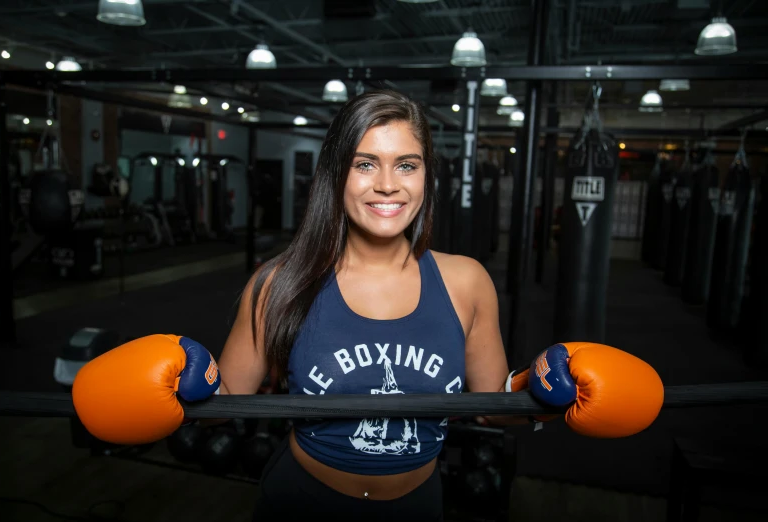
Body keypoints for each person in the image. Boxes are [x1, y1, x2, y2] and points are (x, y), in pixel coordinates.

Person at [72, 90, 665, 522]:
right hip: (302, 504)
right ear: (337, 175)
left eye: (406, 165)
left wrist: (538, 388)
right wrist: (183, 382)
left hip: (418, 506)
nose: (388, 185)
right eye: (366, 164)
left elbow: (492, 407)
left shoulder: (466, 282)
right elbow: (225, 403)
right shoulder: (280, 282)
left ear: (426, 177)